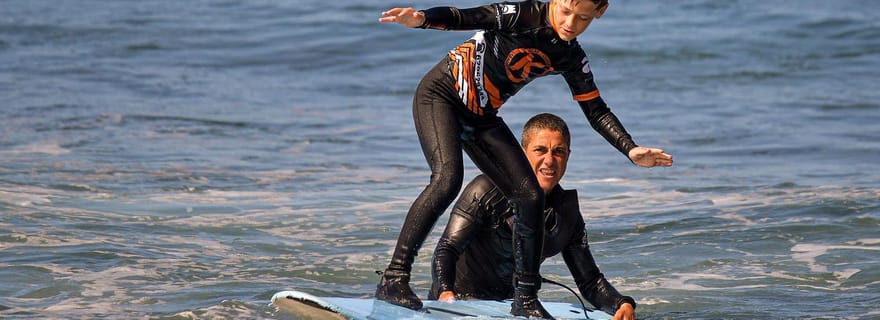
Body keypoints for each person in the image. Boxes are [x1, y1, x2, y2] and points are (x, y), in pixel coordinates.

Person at [375, 0, 672, 318]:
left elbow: (596, 110)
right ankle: (394, 278)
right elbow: (466, 17)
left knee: (530, 196)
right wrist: (422, 19)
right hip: (441, 96)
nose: (571, 23)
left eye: (583, 18)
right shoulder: (521, 14)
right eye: (566, 12)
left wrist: (630, 149)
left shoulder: (570, 56)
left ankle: (525, 300)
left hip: (481, 115)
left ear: (599, 13)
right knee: (448, 179)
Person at [429, 113, 636, 320]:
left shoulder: (566, 214)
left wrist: (621, 303)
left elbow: (589, 281)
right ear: (522, 154)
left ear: (568, 156)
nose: (549, 160)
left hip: (512, 309)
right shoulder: (486, 190)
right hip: (460, 304)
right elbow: (447, 249)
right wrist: (446, 294)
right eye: (540, 150)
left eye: (559, 151)